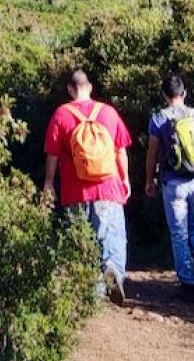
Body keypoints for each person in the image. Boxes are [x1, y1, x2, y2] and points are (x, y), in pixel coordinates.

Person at [42, 69, 131, 305]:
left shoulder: (61, 114)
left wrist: (49, 183)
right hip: (108, 188)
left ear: (70, 89)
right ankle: (113, 270)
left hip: (75, 191)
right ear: (90, 87)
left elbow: (52, 154)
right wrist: (125, 179)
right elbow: (121, 150)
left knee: (84, 240)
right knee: (112, 236)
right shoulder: (109, 113)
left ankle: (93, 292)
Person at [144, 72, 194, 304]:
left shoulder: (158, 119)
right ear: (184, 93)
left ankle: (188, 285)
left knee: (179, 234)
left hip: (173, 184)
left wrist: (149, 181)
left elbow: (152, 155)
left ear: (165, 95)